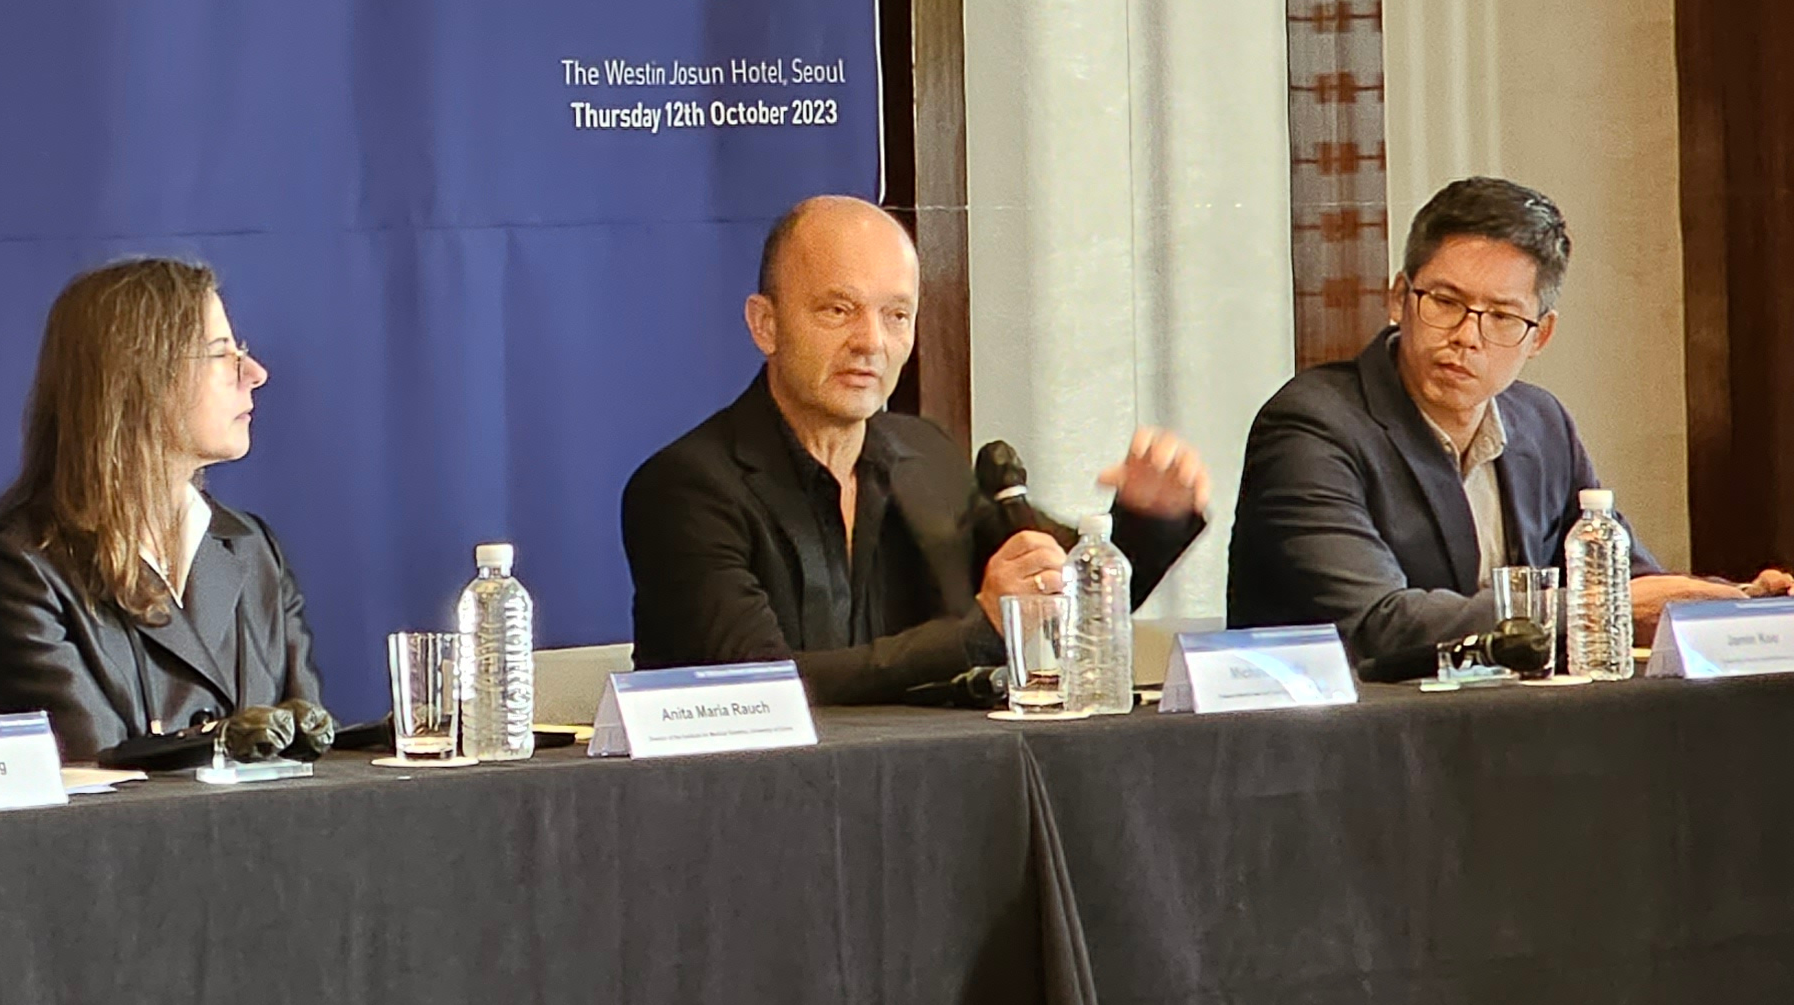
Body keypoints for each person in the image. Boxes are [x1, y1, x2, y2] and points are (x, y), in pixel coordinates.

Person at [620, 196, 1214, 703]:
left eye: (896, 315)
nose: (870, 342)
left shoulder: (923, 457)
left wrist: (1146, 526)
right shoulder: (685, 488)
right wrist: (980, 629)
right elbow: (757, 691)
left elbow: (1054, 595)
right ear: (765, 324)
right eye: (837, 310)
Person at [1227, 175, 1788, 679]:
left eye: (1500, 316)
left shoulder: (1541, 424)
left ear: (1539, 336)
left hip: (1502, 740)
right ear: (1399, 298)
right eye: (1444, 302)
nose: (1467, 336)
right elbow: (1377, 625)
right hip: (1341, 754)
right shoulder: (1312, 423)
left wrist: (1730, 600)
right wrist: (1594, 605)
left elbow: (1629, 579)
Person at [0, 257, 319, 761]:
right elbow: (93, 782)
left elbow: (309, 753)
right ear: (140, 378)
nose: (255, 374)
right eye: (221, 354)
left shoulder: (254, 550)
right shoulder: (18, 572)